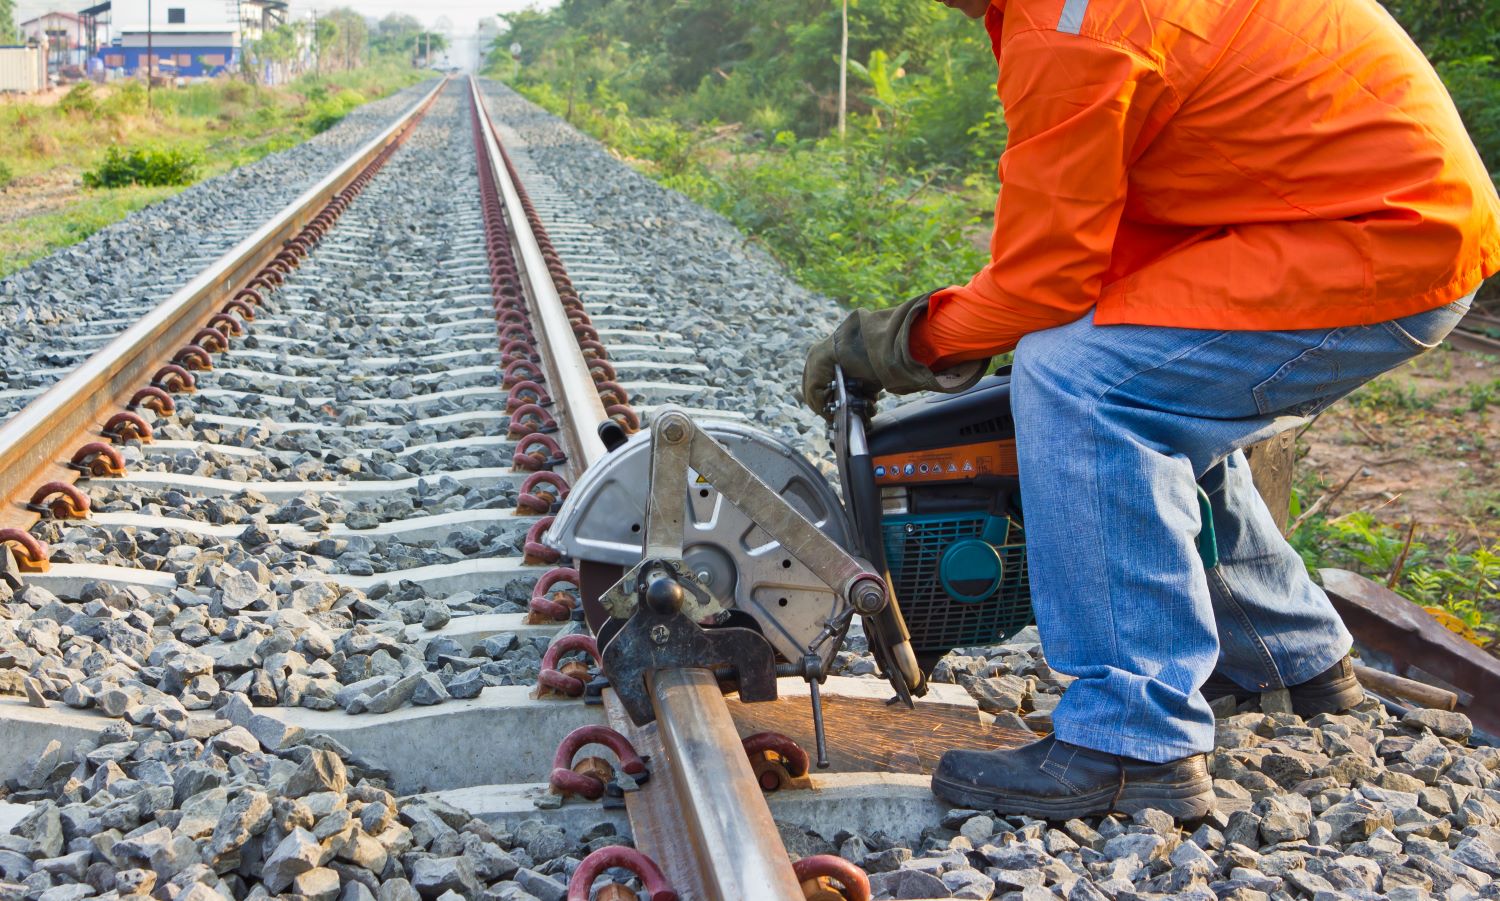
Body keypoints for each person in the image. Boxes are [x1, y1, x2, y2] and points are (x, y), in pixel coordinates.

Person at [802, 0, 1499, 820]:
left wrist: (902, 342)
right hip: (1377, 215)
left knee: (1080, 380)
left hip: (1376, 238)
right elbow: (1093, 239)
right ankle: (1290, 658)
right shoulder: (1069, 15)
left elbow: (1043, 282)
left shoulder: (1067, 30)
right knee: (1156, 378)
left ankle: (1132, 741)